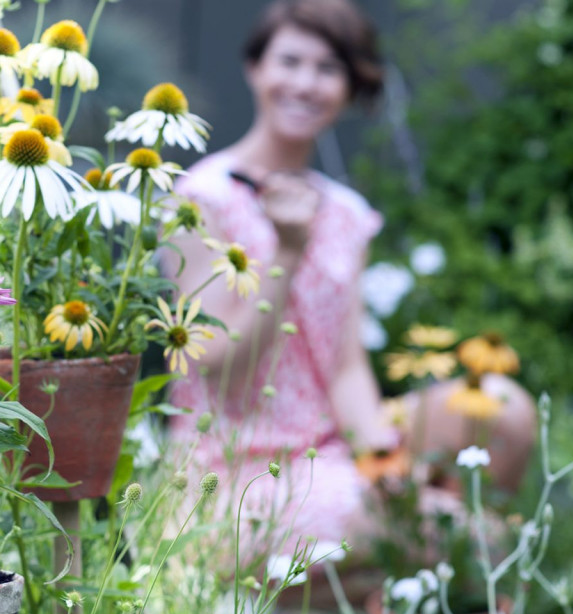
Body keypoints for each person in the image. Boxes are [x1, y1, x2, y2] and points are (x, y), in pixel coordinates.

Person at [166, 0, 536, 567]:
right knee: (448, 529)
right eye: (290, 62)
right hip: (235, 468)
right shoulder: (202, 198)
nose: (305, 84)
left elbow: (345, 367)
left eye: (327, 68)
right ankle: (467, 560)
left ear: (348, 86)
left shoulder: (345, 211)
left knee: (502, 407)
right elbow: (213, 363)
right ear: (255, 69)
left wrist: (380, 458)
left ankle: (438, 557)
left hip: (330, 445)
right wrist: (286, 251)